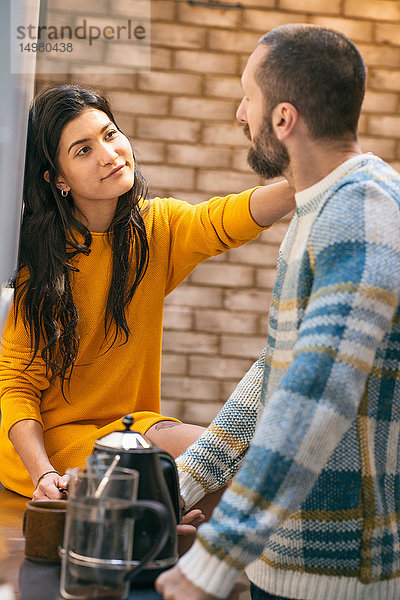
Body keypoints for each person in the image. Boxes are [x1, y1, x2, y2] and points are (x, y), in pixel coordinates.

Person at [156, 24, 400, 600]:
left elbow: (316, 394)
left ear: (283, 118)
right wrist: (185, 483)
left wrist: (213, 560)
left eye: (249, 98)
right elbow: (276, 371)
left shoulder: (363, 210)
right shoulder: (318, 208)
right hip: (282, 566)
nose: (241, 113)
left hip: (339, 578)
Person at [0, 84, 295, 503]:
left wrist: (304, 183)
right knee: (225, 468)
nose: (108, 154)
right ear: (58, 178)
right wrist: (42, 473)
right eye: (83, 150)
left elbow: (223, 220)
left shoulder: (156, 229)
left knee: (230, 470)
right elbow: (17, 385)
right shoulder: (40, 262)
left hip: (134, 429)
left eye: (109, 134)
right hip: (53, 448)